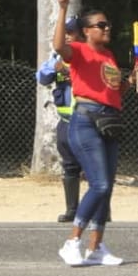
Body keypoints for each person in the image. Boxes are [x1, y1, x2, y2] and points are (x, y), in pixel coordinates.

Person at [53, 0, 135, 267]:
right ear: (87, 31)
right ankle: (72, 242)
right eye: (101, 25)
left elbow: (113, 91)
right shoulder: (78, 50)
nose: (107, 28)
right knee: (98, 184)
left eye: (108, 24)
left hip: (109, 121)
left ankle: (96, 247)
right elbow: (58, 46)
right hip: (86, 121)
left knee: (106, 187)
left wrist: (129, 81)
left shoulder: (109, 55)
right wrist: (62, 9)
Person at [36, 15, 83, 222]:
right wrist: (54, 66)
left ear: (82, 34)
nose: (66, 36)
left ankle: (101, 210)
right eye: (64, 32)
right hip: (65, 121)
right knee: (69, 166)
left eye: (71, 32)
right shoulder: (57, 57)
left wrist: (66, 71)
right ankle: (72, 210)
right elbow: (42, 78)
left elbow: (89, 81)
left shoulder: (88, 56)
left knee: (94, 167)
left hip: (87, 121)